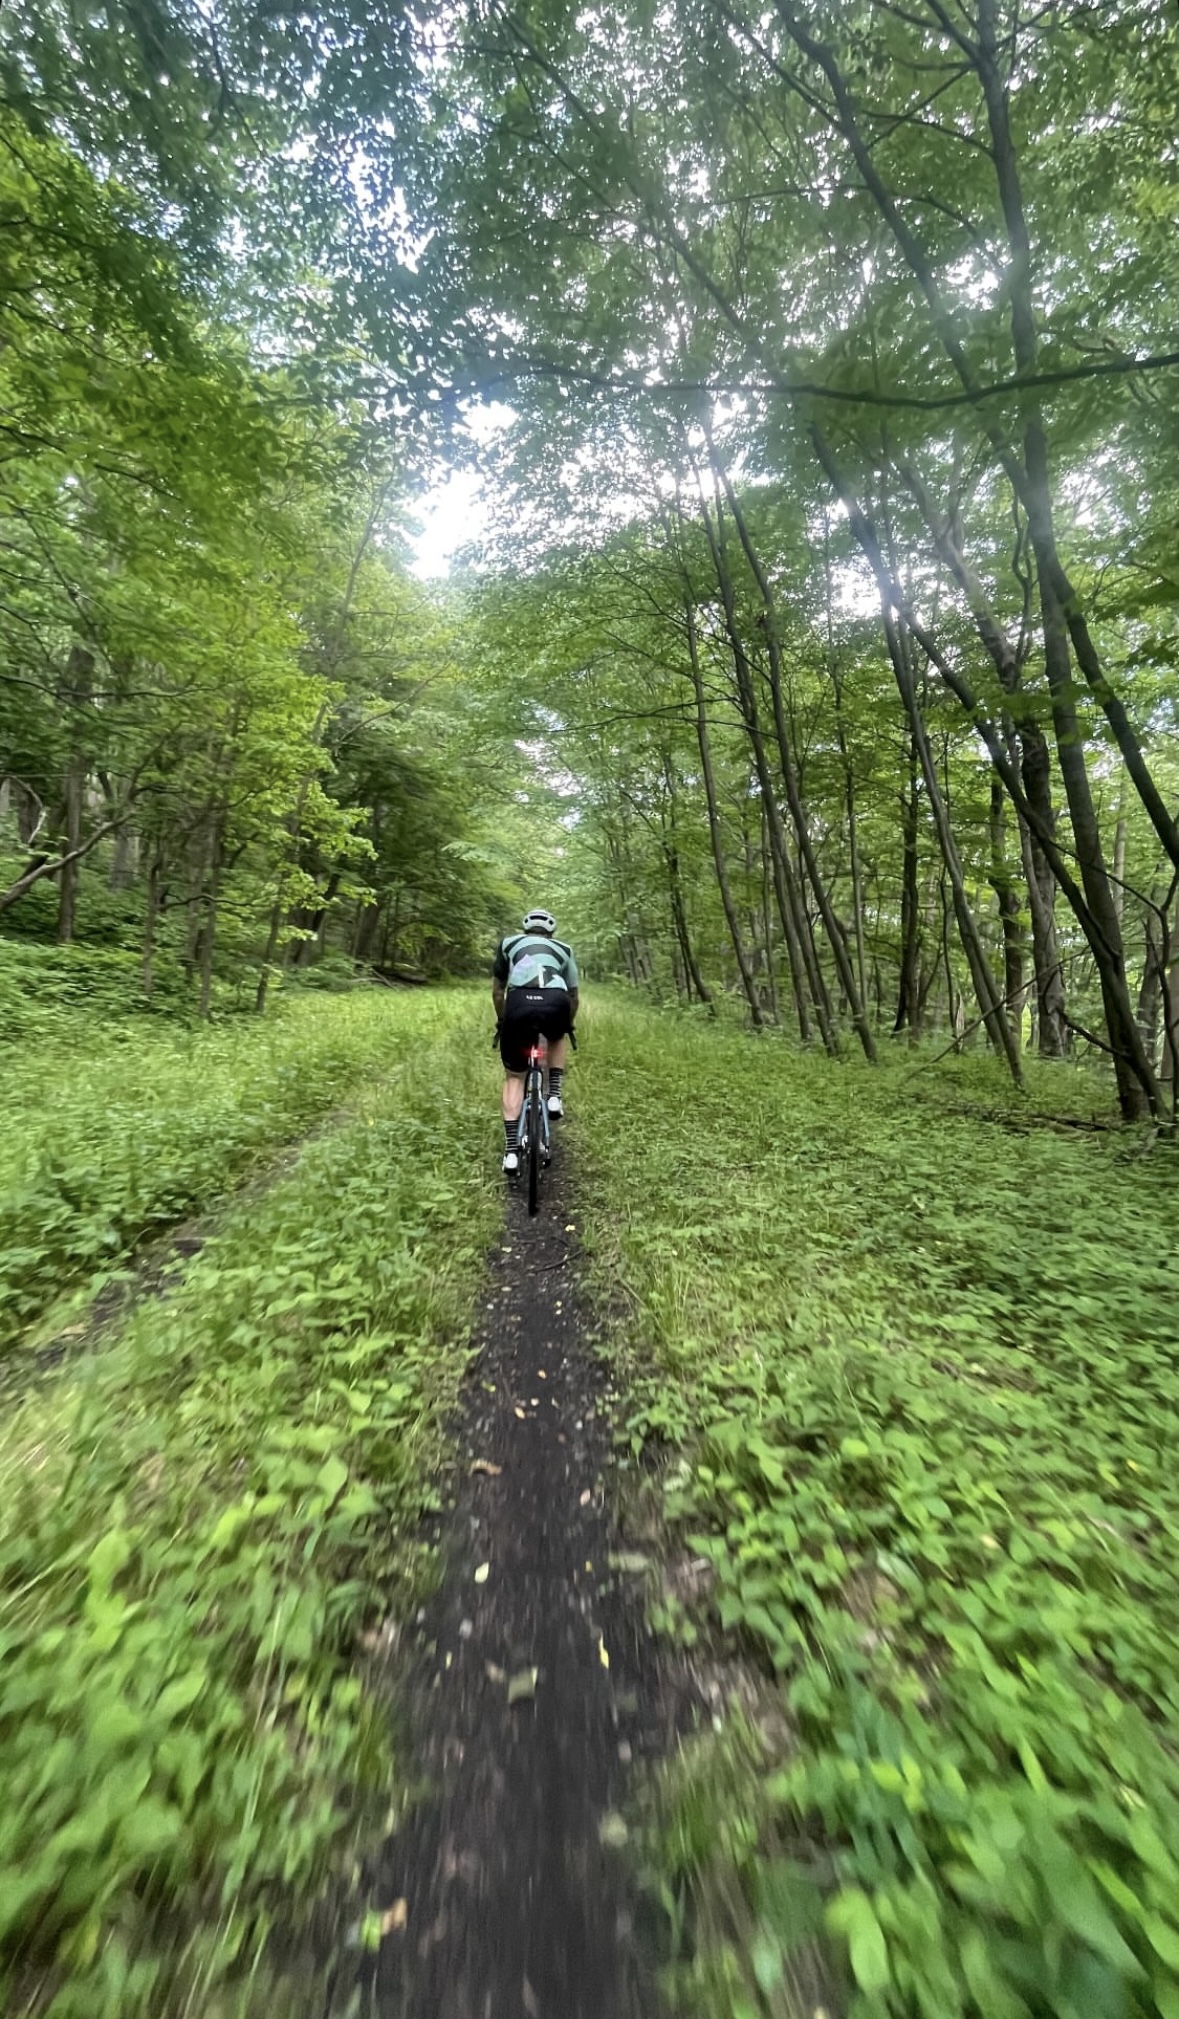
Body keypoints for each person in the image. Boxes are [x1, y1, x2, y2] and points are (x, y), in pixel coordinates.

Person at [492, 908, 580, 1174]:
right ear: (551, 931)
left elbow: (497, 992)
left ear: (525, 929)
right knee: (556, 1036)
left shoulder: (508, 944)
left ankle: (511, 1153)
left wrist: (502, 1021)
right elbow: (574, 995)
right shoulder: (564, 949)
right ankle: (554, 1095)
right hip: (556, 1000)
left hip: (518, 1004)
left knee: (514, 1077)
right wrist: (568, 1023)